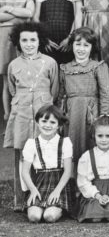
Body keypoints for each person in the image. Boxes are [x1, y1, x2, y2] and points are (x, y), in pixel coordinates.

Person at [4, 21, 59, 210]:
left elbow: (55, 90)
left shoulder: (50, 63)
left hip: (43, 114)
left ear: (39, 41)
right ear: (18, 42)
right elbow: (11, 89)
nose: (29, 44)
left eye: (33, 40)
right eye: (24, 40)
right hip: (21, 115)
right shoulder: (13, 65)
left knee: (43, 153)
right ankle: (20, 199)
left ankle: (42, 196)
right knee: (21, 154)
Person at [58, 27, 109, 165]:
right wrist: (60, 116)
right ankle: (72, 180)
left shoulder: (98, 66)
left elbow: (105, 93)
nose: (81, 49)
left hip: (91, 112)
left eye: (86, 45)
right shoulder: (65, 68)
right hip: (72, 113)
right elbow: (60, 95)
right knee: (72, 145)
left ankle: (93, 179)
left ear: (92, 47)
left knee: (91, 142)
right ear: (72, 45)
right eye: (78, 44)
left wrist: (103, 117)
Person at [20, 105, 73, 222]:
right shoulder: (31, 143)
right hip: (39, 183)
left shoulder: (65, 142)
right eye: (44, 121)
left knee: (49, 216)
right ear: (38, 122)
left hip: (58, 183)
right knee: (34, 217)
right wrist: (33, 190)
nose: (47, 125)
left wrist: (57, 191)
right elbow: (24, 172)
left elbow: (68, 171)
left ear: (59, 125)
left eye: (52, 122)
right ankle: (37, 206)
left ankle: (59, 208)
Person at [0, 0, 35, 120]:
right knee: (8, 79)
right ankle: (8, 116)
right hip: (3, 39)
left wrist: (8, 9)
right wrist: (18, 15)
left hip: (23, 38)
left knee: (25, 76)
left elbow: (29, 13)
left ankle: (24, 117)